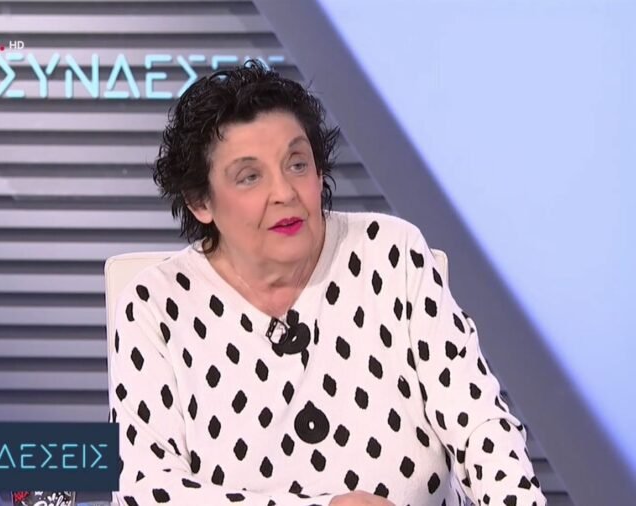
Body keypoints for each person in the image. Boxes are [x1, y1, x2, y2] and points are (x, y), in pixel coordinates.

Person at [107, 61, 546, 506]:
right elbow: (145, 488)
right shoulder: (155, 305)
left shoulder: (391, 254)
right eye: (250, 176)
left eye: (297, 164)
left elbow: (480, 426)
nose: (285, 192)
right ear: (200, 201)